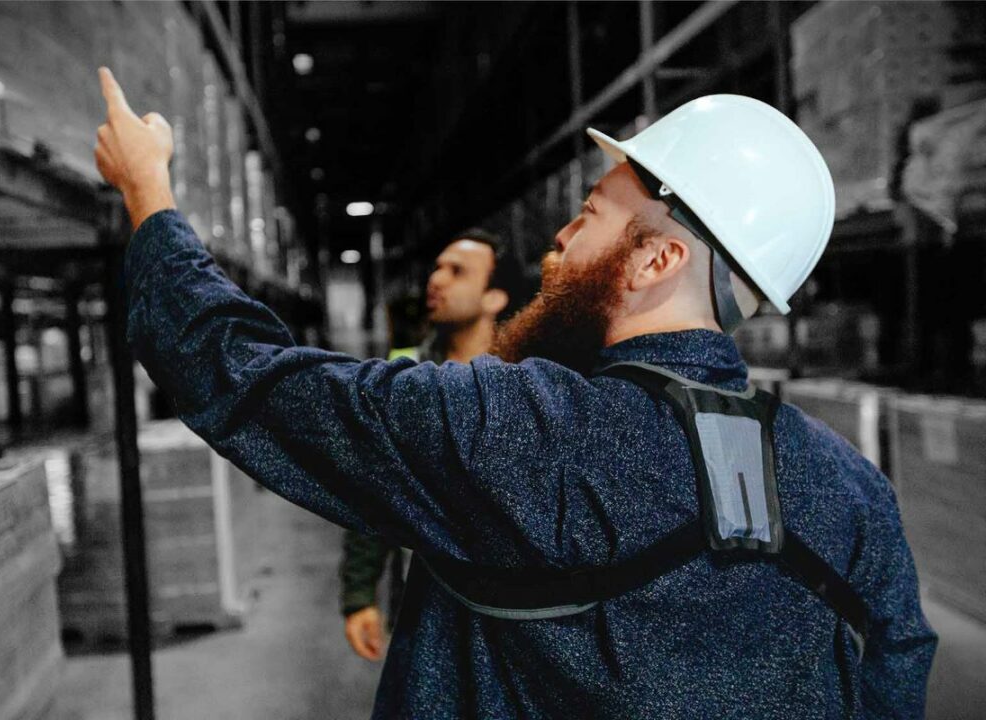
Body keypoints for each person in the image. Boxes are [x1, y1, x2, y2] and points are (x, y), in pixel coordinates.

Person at [96, 68, 936, 718]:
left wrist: (149, 193)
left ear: (657, 261)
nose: (558, 243)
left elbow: (236, 369)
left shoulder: (518, 428)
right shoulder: (851, 491)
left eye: (593, 214)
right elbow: (895, 665)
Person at [342, 229, 519, 661]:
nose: (435, 280)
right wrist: (359, 593)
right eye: (437, 268)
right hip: (422, 599)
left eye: (456, 272)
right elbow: (375, 489)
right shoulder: (405, 380)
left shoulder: (527, 382)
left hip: (512, 610)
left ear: (495, 298)